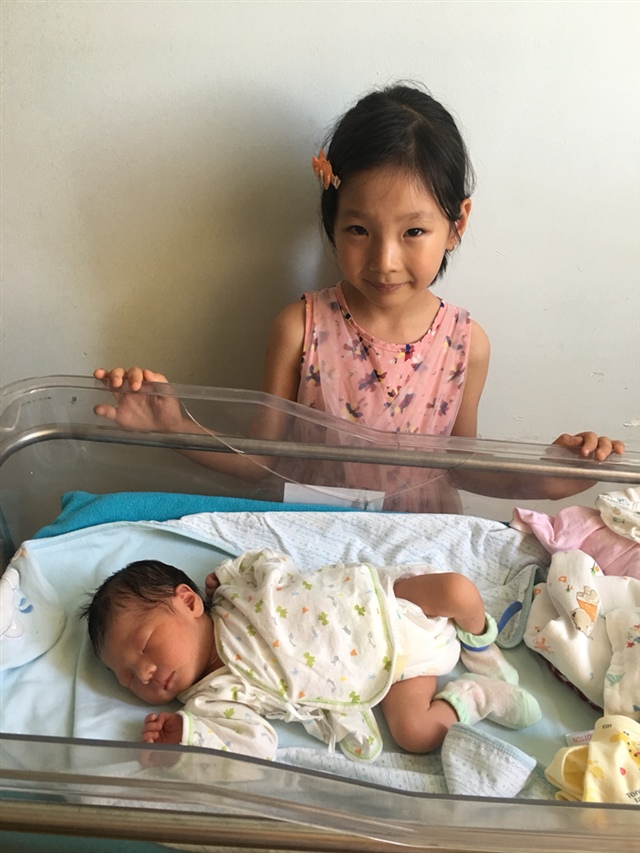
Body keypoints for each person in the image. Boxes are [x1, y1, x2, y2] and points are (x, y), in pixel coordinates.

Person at [93, 83, 624, 508]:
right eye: (358, 230)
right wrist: (173, 427)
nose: (384, 260)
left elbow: (460, 465)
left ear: (457, 223)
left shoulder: (466, 344)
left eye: (413, 231)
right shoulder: (300, 328)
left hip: (416, 554)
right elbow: (260, 460)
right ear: (332, 221)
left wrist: (548, 478)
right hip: (314, 546)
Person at [83, 550, 541, 762]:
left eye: (145, 645)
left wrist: (229, 571)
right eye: (127, 677)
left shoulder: (233, 595)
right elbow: (256, 745)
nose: (144, 672)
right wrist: (189, 736)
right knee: (415, 734)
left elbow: (268, 560)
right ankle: (478, 697)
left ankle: (481, 645)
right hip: (391, 672)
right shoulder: (210, 700)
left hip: (384, 601)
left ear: (188, 602)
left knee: (457, 590)